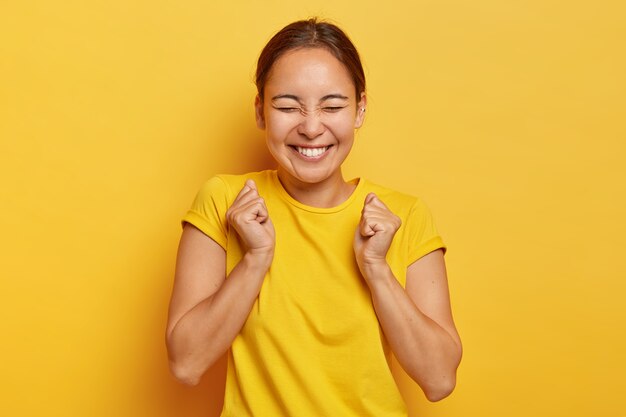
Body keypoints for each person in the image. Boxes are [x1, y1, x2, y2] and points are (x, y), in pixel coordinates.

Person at [166, 18, 462, 417]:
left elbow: (440, 379)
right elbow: (186, 363)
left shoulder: (404, 215)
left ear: (359, 110)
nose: (310, 127)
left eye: (332, 106)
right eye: (288, 106)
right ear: (260, 112)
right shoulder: (224, 201)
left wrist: (376, 268)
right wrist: (254, 259)